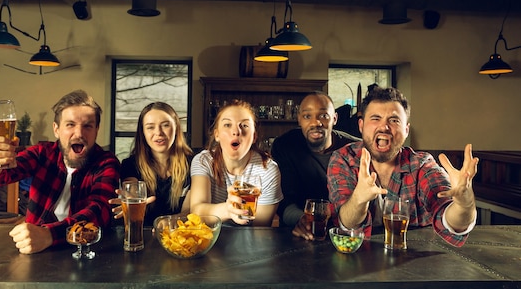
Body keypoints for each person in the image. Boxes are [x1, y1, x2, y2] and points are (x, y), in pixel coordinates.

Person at [327, 86, 479, 247]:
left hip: (417, 263)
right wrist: (358, 198)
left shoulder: (421, 165)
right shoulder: (343, 159)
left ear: (406, 130)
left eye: (394, 120)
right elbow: (347, 223)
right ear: (361, 126)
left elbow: (449, 218)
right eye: (375, 118)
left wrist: (465, 205)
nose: (384, 127)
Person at [0, 89, 120, 254]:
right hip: (36, 249)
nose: (79, 133)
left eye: (87, 126)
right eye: (70, 125)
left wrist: (50, 235)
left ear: (96, 130)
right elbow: (0, 177)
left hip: (86, 251)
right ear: (56, 129)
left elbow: (99, 211)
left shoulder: (106, 162)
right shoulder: (42, 153)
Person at [271, 91, 360, 240]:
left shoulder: (354, 148)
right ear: (299, 119)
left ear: (335, 118)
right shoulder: (285, 145)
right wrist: (304, 220)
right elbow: (284, 199)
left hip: (345, 233)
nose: (315, 123)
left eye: (323, 116)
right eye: (307, 116)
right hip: (296, 232)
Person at [190, 99, 283, 227]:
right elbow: (196, 213)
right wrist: (228, 210)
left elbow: (260, 229)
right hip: (211, 239)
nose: (236, 131)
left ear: (254, 137)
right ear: (216, 135)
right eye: (227, 125)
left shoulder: (268, 170)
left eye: (244, 125)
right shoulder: (203, 161)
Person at [109, 102, 193, 225]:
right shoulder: (130, 165)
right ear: (142, 132)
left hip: (179, 237)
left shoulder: (193, 164)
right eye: (150, 127)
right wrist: (131, 204)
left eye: (165, 125)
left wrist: (172, 221)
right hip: (143, 236)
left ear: (176, 128)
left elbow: (190, 211)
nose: (158, 132)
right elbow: (132, 194)